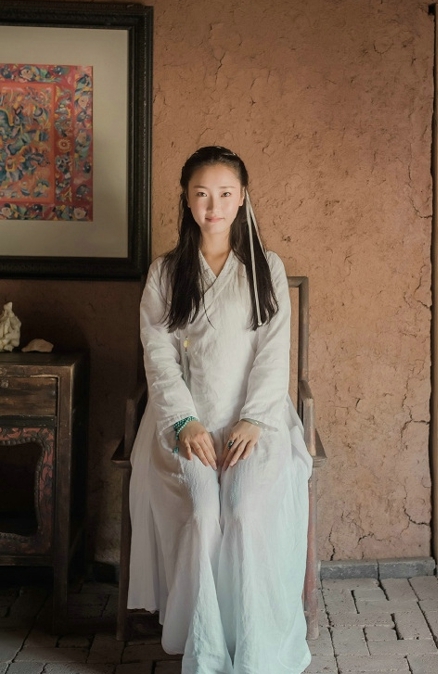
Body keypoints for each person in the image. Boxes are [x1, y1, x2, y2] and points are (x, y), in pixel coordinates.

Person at [128, 145, 312, 674]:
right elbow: (158, 354)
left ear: (242, 198)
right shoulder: (166, 272)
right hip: (183, 424)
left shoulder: (265, 268)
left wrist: (254, 419)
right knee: (206, 513)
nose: (214, 206)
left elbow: (275, 352)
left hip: (258, 421)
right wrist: (184, 421)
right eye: (202, 195)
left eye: (225, 194)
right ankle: (201, 643)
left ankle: (256, 646)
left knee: (244, 509)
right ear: (186, 201)